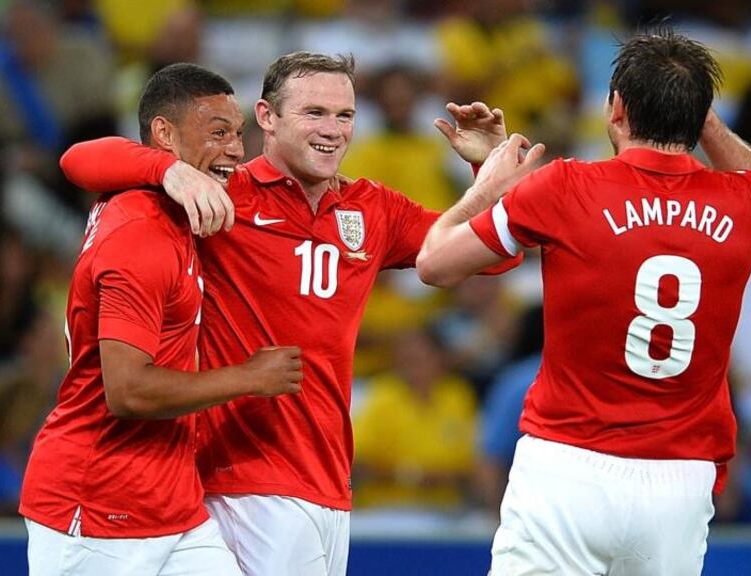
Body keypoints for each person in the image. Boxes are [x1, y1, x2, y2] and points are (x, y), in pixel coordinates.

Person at [59, 52, 512, 575]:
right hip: (241, 478)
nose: (333, 130)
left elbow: (493, 256)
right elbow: (79, 161)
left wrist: (487, 171)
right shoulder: (224, 193)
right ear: (267, 118)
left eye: (345, 115)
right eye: (314, 113)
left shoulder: (372, 209)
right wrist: (169, 171)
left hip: (329, 479)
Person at [417, 29, 751, 575]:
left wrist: (488, 183)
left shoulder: (565, 188)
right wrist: (699, 116)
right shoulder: (744, 203)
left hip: (569, 464)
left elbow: (434, 263)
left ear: (615, 108)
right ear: (699, 115)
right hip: (680, 481)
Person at [19, 63, 303, 576]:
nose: (237, 150)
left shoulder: (174, 207)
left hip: (172, 502)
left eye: (238, 134)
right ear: (164, 135)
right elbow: (127, 391)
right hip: (98, 502)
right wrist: (249, 377)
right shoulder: (141, 233)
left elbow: (82, 159)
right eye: (218, 133)